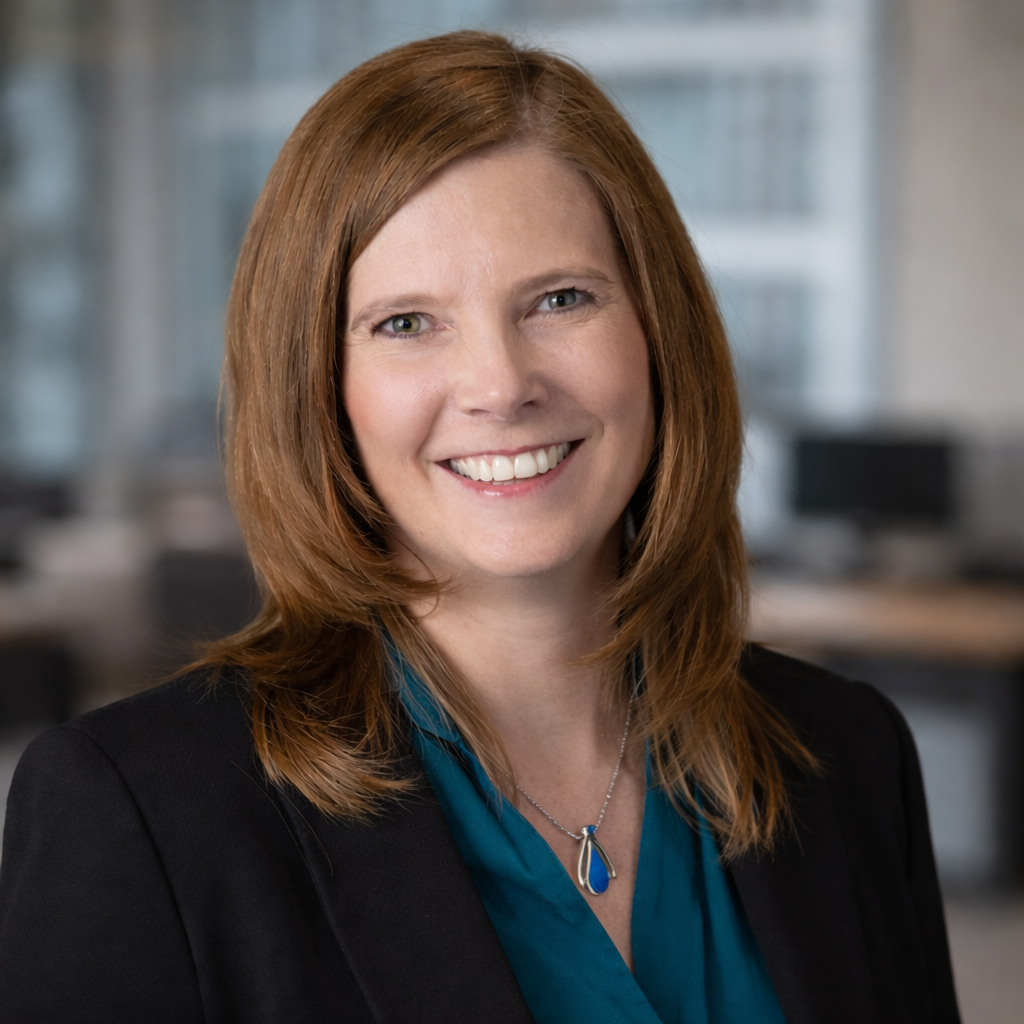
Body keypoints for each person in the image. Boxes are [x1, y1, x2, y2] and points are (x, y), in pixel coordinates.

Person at [0, 31, 959, 1024]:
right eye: (405, 322)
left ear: (658, 334)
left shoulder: (847, 756)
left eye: (560, 298)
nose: (500, 385)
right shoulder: (139, 813)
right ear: (319, 389)